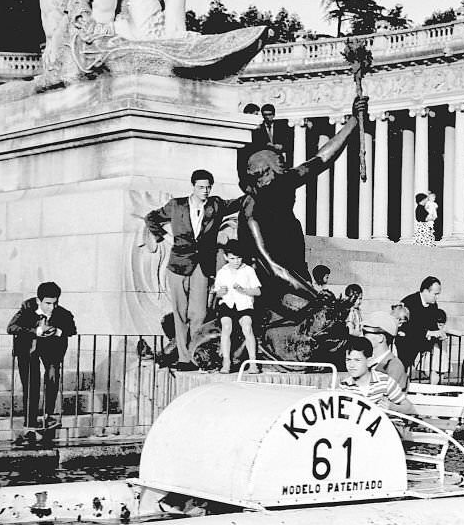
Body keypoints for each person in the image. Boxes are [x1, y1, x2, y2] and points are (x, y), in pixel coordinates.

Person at [239, 96, 366, 317]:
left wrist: (353, 122)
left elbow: (322, 159)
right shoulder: (252, 212)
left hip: (294, 260)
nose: (274, 180)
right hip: (269, 280)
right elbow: (274, 268)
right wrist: (315, 296)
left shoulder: (283, 180)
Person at [146, 169, 242, 370]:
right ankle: (183, 358)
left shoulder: (216, 204)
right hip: (178, 264)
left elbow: (240, 202)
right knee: (179, 314)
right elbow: (151, 217)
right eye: (201, 187)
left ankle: (192, 354)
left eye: (208, 187)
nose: (205, 191)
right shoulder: (176, 205)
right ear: (193, 187)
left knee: (198, 313)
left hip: (202, 265)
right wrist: (161, 236)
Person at [7, 281, 78, 433]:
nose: (51, 307)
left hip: (51, 349)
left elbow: (72, 329)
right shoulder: (27, 308)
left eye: (55, 303)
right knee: (31, 383)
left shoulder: (62, 312)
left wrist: (58, 331)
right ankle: (30, 423)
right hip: (28, 349)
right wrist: (37, 331)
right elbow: (11, 327)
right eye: (47, 303)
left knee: (53, 376)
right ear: (39, 301)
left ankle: (48, 415)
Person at [212, 240, 262, 374]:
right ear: (226, 257)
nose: (236, 261)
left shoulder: (248, 270)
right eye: (232, 258)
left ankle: (253, 363)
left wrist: (244, 290)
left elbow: (258, 291)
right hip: (227, 304)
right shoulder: (222, 272)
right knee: (226, 327)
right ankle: (226, 362)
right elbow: (217, 293)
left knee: (247, 327)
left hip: (244, 304)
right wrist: (219, 292)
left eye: (239, 258)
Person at [340, 336, 415, 415]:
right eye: (348, 360)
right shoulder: (344, 386)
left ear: (369, 361)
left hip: (385, 425)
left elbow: (410, 408)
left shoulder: (385, 382)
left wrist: (393, 407)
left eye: (357, 360)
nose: (351, 365)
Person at [396, 276, 446, 370]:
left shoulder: (433, 305)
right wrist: (429, 333)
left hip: (422, 346)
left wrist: (439, 333)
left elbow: (432, 325)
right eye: (435, 294)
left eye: (438, 294)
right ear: (426, 291)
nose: (437, 297)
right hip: (405, 347)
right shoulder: (409, 302)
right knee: (402, 372)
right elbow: (406, 327)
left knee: (433, 369)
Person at [362, 310, 408, 393]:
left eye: (366, 333)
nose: (363, 337)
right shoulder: (371, 362)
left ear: (380, 338)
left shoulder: (394, 366)